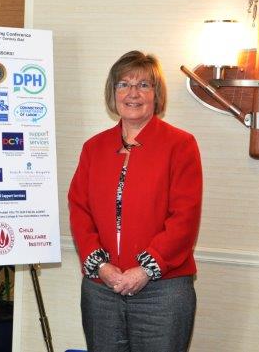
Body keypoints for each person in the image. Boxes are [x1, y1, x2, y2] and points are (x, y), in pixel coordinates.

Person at [69, 50, 203, 352]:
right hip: (101, 289)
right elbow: (79, 210)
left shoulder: (181, 145)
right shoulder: (93, 148)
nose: (133, 93)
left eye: (143, 85)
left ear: (156, 94)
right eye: (123, 84)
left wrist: (145, 270)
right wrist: (101, 266)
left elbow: (184, 217)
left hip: (162, 290)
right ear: (113, 92)